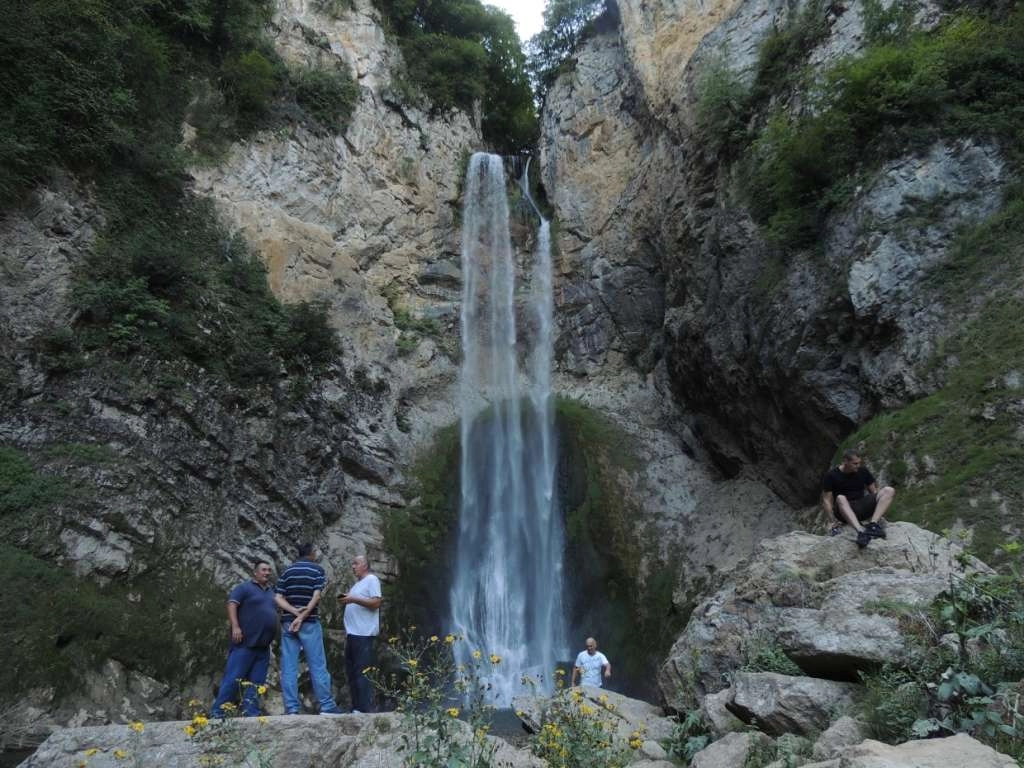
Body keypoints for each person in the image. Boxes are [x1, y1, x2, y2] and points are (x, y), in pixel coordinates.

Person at [275, 542, 345, 716]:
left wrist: (293, 612)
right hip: (309, 623)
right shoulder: (317, 570)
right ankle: (327, 706)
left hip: (288, 623)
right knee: (318, 665)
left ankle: (291, 708)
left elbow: (278, 597)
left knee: (289, 667)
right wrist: (302, 616)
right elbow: (317, 596)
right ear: (312, 553)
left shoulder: (287, 571)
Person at [211, 559, 278, 717]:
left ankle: (251, 713)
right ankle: (217, 713)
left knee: (257, 682)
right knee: (233, 679)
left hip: (263, 646)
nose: (267, 572)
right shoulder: (244, 588)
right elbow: (232, 604)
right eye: (263, 570)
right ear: (255, 572)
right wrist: (235, 626)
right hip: (244, 643)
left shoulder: (271, 592)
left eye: (269, 570)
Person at [822, 448, 896, 549]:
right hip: (843, 510)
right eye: (855, 464)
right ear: (845, 461)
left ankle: (873, 525)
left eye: (859, 463)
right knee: (840, 497)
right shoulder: (831, 475)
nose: (858, 466)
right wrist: (832, 520)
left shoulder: (862, 471)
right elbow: (827, 500)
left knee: (889, 490)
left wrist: (879, 513)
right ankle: (860, 531)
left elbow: (874, 492)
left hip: (861, 506)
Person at [338, 554, 382, 714]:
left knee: (362, 672)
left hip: (364, 634)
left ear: (365, 565)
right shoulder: (358, 584)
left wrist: (353, 599)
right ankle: (356, 707)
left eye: (355, 563)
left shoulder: (372, 580)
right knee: (352, 672)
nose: (353, 566)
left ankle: (364, 708)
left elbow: (376, 602)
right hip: (353, 634)